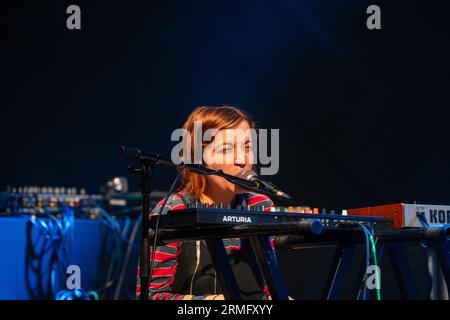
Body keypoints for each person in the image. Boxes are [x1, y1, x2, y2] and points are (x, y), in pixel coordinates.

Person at [136, 106, 276, 300]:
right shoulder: (172, 211)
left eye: (247, 147)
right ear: (198, 158)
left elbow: (267, 288)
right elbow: (150, 296)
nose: (242, 159)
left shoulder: (261, 205)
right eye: (226, 149)